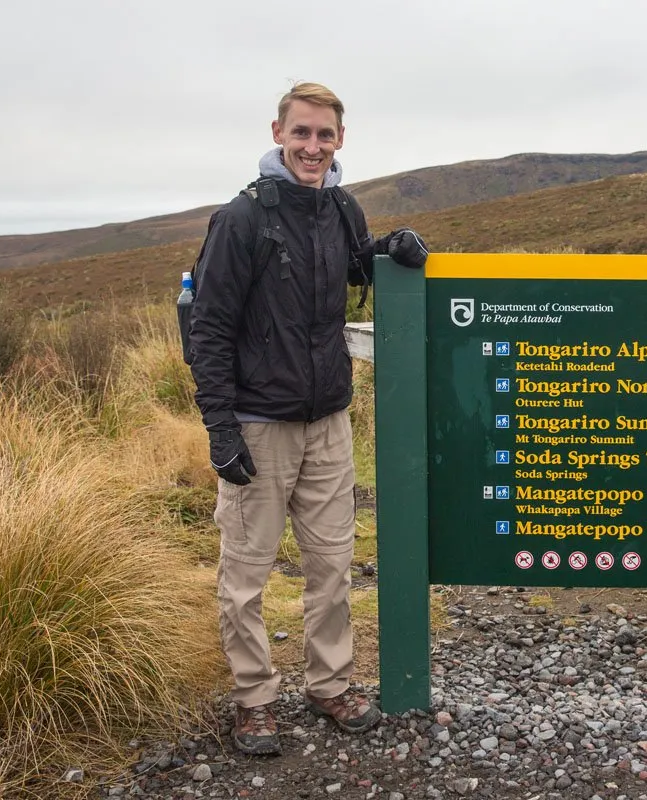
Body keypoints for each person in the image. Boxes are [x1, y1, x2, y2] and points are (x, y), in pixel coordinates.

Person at [187, 80, 428, 756]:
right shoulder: (243, 218)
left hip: (328, 422)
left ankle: (329, 683)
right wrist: (221, 430)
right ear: (278, 133)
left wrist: (390, 251)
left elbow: (354, 267)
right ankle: (254, 699)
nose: (313, 147)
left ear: (340, 140)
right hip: (258, 424)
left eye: (324, 135)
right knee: (245, 574)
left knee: (332, 564)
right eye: (302, 134)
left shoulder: (342, 208)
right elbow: (207, 330)